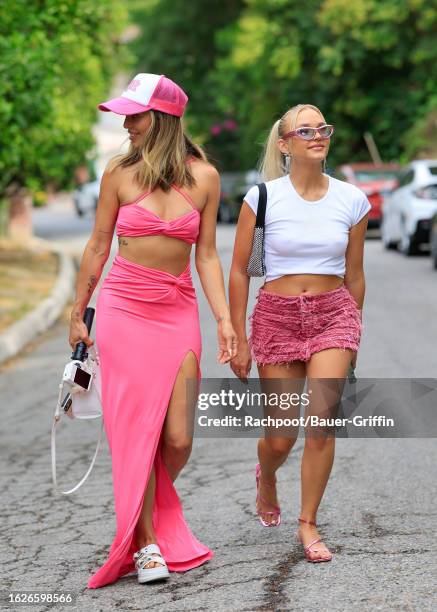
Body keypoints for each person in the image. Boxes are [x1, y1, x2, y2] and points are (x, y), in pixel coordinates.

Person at [69, 73, 237, 588]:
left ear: (161, 118)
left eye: (134, 115)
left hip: (177, 310)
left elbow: (206, 254)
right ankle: (144, 543)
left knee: (180, 439)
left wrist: (226, 319)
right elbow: (98, 246)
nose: (125, 123)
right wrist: (79, 310)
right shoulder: (118, 174)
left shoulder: (204, 177)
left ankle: (140, 517)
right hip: (122, 310)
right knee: (136, 433)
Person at [229, 104, 371, 563]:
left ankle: (308, 523)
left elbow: (355, 274)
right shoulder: (263, 198)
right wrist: (238, 337)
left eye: (322, 128)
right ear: (285, 144)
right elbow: (239, 271)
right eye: (304, 130)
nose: (317, 135)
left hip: (334, 315)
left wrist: (355, 329)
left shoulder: (352, 200)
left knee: (322, 427)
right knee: (280, 436)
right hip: (277, 316)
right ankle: (267, 476)